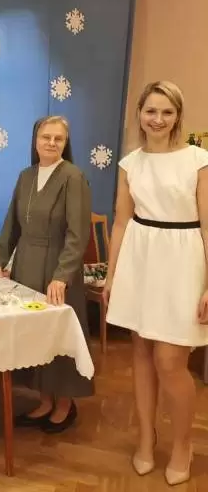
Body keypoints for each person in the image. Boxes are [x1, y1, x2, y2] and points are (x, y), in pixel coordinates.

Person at [105, 81, 208, 486]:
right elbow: (120, 221)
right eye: (151, 111)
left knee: (170, 360)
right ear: (140, 114)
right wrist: (112, 275)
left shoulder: (198, 160)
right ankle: (146, 438)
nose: (158, 119)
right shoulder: (130, 163)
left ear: (178, 115)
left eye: (167, 112)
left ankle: (183, 444)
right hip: (140, 258)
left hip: (184, 261)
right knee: (143, 355)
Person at [0, 116, 93, 433]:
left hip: (58, 270)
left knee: (58, 336)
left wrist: (62, 276)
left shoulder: (73, 177)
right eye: (45, 137)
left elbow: (78, 234)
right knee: (36, 337)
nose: (51, 143)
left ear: (65, 143)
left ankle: (65, 404)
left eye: (58, 138)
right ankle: (45, 401)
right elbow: (11, 223)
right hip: (26, 268)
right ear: (35, 141)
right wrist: (0, 259)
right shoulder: (26, 176)